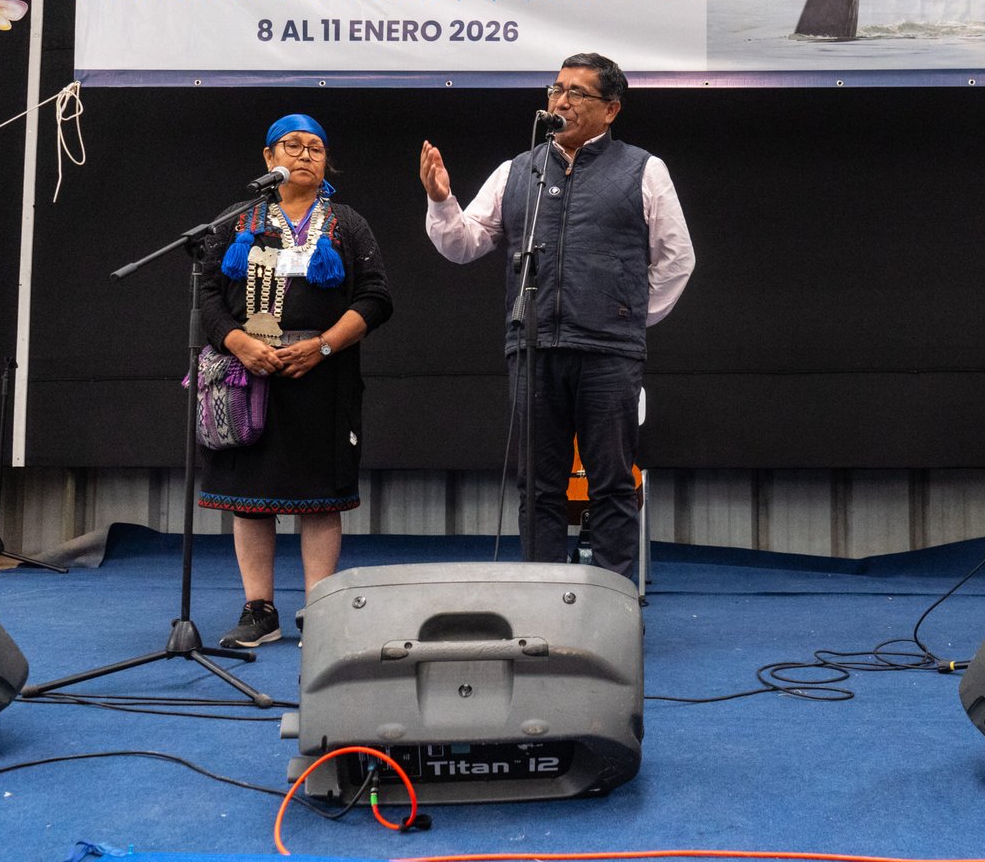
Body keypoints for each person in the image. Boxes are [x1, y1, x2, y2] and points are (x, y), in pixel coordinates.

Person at [419, 52, 695, 576]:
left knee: (611, 483)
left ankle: (611, 604)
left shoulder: (644, 169)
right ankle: (541, 602)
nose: (561, 101)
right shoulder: (516, 170)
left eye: (577, 93)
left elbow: (677, 258)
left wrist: (627, 314)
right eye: (556, 89)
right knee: (538, 486)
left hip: (608, 352)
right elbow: (464, 243)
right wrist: (441, 200)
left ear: (611, 109)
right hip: (533, 346)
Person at [198, 114, 392, 647]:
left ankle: (321, 610)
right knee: (248, 497)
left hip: (322, 376)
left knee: (320, 499)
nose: (305, 154)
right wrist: (238, 342)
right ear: (269, 157)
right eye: (292, 145)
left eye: (316, 148)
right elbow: (208, 295)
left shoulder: (347, 224)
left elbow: (376, 298)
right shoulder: (236, 221)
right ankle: (259, 610)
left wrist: (323, 345)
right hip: (248, 376)